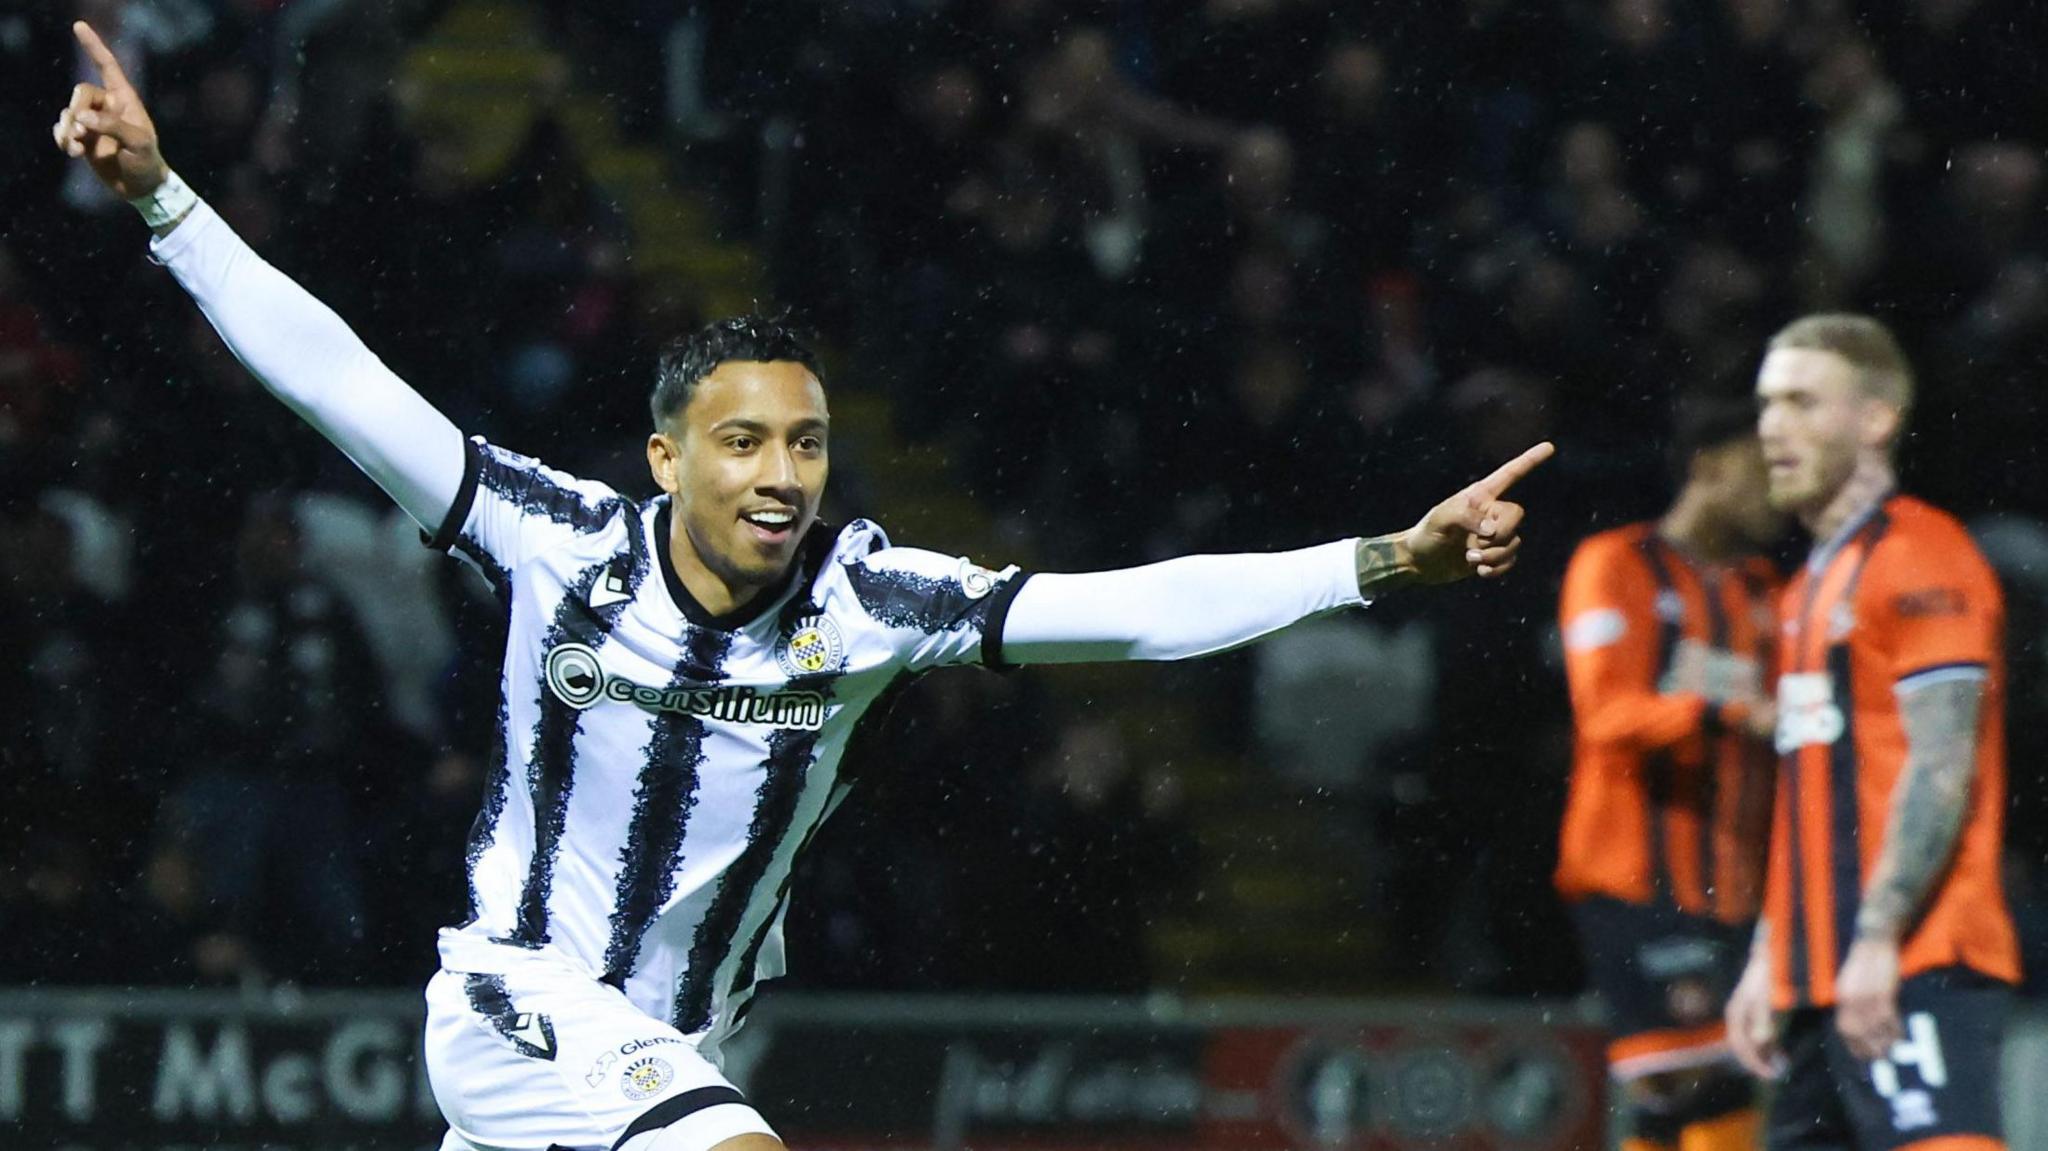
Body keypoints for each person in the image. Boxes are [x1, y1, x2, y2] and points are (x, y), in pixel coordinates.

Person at [51, 22, 1553, 1151]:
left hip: (680, 1039)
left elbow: (1134, 607)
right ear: (665, 456)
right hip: (518, 1006)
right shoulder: (555, 537)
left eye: (811, 442)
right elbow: (342, 383)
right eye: (746, 440)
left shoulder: (872, 602)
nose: (785, 471)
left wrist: (1378, 560)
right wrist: (167, 201)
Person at [1725, 314, 2021, 1151]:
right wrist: (1767, 956)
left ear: (1876, 419)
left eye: (1803, 403)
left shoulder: (1925, 555)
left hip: (1915, 963)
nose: (1773, 427)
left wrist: (1881, 936)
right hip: (1819, 975)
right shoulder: (1804, 588)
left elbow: (1941, 760)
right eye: (1766, 404)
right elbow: (1805, 791)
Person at [1556, 395, 1784, 1151]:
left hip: (1735, 881)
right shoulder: (1614, 564)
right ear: (1708, 467)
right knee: (1696, 1074)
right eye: (1760, 471)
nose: (1775, 492)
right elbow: (1605, 713)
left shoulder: (1764, 592)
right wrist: (1727, 711)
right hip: (1634, 879)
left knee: (1699, 1093)